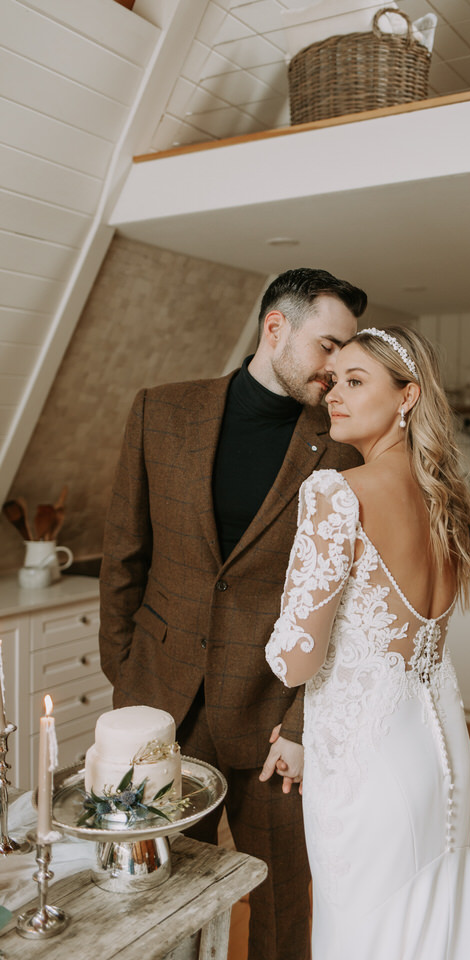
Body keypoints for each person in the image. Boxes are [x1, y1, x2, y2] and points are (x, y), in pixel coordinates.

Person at [99, 268, 367, 960]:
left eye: (348, 352)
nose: (337, 368)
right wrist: (129, 676)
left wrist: (303, 723)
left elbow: (340, 608)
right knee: (154, 893)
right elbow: (123, 556)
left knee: (282, 900)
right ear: (275, 327)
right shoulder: (160, 410)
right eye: (328, 346)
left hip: (275, 718)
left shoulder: (342, 446)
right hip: (163, 703)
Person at [265, 326, 470, 960]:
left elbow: (296, 658)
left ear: (407, 396)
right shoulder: (445, 499)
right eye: (334, 381)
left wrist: (281, 620)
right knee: (430, 928)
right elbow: (400, 649)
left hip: (368, 772)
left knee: (361, 935)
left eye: (357, 381)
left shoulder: (336, 493)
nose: (334, 394)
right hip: (440, 754)